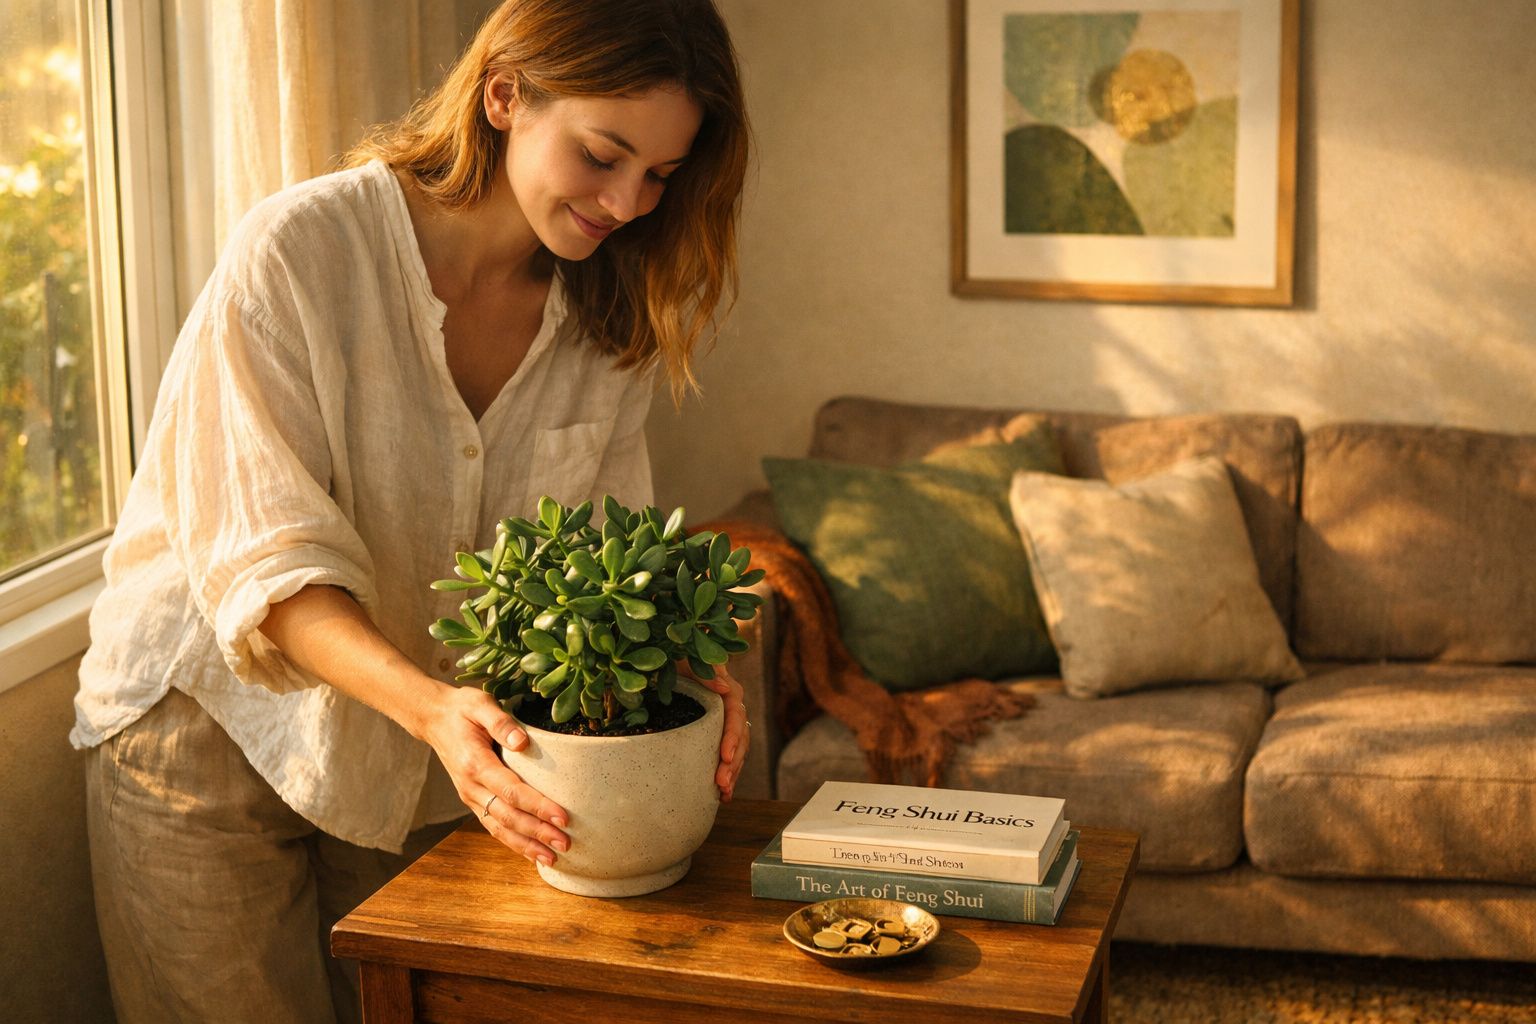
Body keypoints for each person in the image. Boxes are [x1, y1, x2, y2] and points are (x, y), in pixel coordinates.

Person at [69, 2, 750, 1021]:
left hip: (422, 759)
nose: (628, 201)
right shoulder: (302, 249)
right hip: (209, 732)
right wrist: (434, 710)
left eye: (659, 174)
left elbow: (603, 567)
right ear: (506, 94)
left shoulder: (609, 321)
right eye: (604, 154)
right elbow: (268, 563)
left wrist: (690, 667)